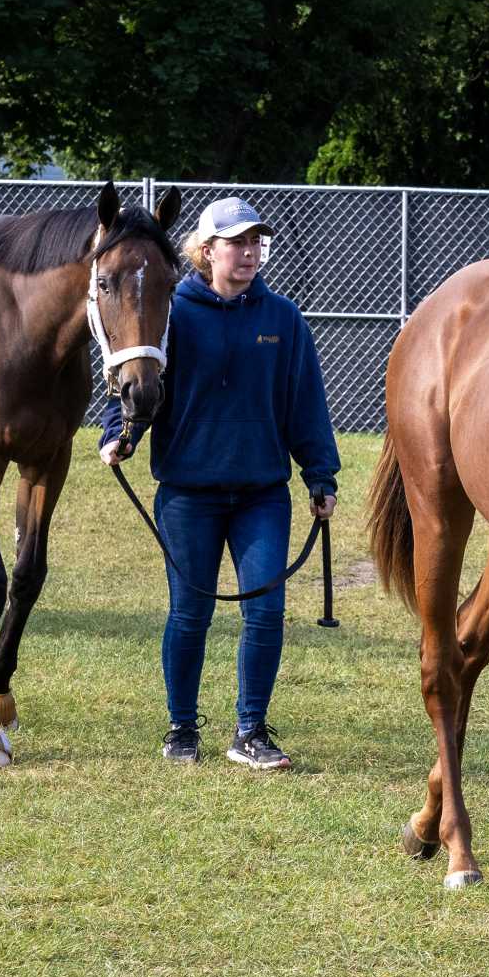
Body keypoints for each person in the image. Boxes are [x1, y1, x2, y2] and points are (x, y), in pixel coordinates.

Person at [99, 196, 340, 771]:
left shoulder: (282, 318)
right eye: (238, 243)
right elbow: (135, 376)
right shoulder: (173, 311)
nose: (251, 253)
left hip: (262, 494)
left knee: (266, 611)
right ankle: (182, 728)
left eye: (257, 242)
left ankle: (250, 731)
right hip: (188, 493)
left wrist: (320, 473)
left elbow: (305, 402)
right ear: (207, 252)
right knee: (190, 614)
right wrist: (120, 434)